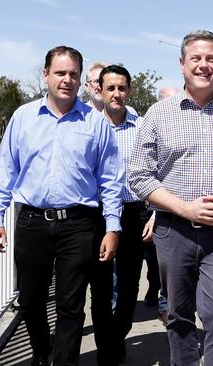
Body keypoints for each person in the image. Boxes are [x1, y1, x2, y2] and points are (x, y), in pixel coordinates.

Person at [128, 29, 213, 366]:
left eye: (211, 58)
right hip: (173, 232)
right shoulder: (159, 115)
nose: (204, 65)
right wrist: (184, 209)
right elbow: (138, 175)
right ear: (182, 64)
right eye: (197, 58)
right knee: (178, 314)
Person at [0, 46, 123, 366]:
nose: (67, 80)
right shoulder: (23, 118)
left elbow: (111, 179)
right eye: (60, 73)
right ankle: (42, 354)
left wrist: (113, 226)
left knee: (71, 306)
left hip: (79, 224)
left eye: (73, 74)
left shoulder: (96, 122)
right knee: (31, 300)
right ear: (45, 75)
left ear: (81, 80)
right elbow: (5, 170)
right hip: (32, 222)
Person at [89, 65, 153, 365]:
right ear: (99, 90)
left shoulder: (141, 127)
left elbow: (158, 169)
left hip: (133, 212)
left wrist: (155, 213)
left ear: (129, 90)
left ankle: (117, 336)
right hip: (96, 214)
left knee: (128, 285)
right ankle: (106, 347)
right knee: (101, 285)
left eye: (122, 88)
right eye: (110, 88)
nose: (116, 93)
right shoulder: (88, 124)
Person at [142, 86, 181, 327]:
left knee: (165, 260)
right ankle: (156, 291)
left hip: (173, 210)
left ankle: (165, 302)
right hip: (149, 205)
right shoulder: (152, 126)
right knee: (152, 259)